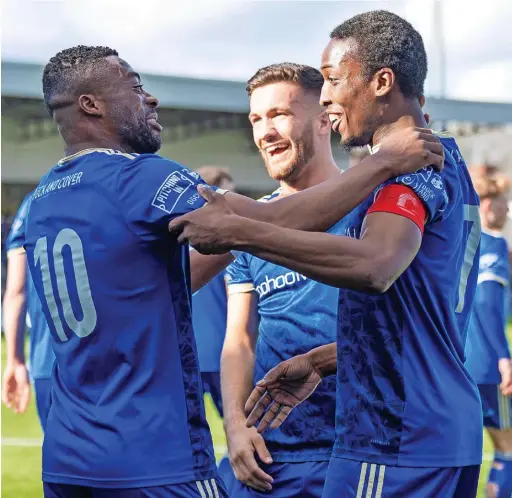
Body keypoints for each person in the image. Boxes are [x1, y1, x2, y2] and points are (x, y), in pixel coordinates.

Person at [25, 45, 442, 498]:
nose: (151, 99)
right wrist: (383, 161)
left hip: (70, 459)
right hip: (155, 459)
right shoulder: (140, 178)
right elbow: (272, 227)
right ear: (90, 104)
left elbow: (171, 280)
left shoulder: (43, 200)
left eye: (278, 114)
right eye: (135, 86)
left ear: (324, 117)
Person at [169, 10, 482, 497]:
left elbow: (373, 267)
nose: (329, 93)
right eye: (256, 118)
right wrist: (320, 362)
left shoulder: (408, 166)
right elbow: (413, 319)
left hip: (394, 435)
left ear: (381, 82)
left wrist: (238, 230)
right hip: (427, 428)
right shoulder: (430, 161)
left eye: (335, 80)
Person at [222, 63, 341, 497]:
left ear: (325, 119)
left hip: (352, 452)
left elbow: (400, 329)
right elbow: (240, 338)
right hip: (269, 458)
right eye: (256, 119)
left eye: (279, 114)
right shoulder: (249, 221)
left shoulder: (374, 210)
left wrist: (319, 360)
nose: (265, 131)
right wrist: (235, 426)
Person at [465, 170, 512, 498]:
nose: (507, 210)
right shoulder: (494, 246)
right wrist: (505, 358)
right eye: (503, 203)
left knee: (463, 451)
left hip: (459, 362)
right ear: (485, 204)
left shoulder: (462, 246)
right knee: (508, 448)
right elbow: (487, 303)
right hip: (488, 365)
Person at [2, 192, 55, 430]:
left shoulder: (37, 200)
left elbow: (16, 291)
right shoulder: (123, 188)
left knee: (63, 462)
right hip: (111, 362)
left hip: (47, 361)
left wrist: (15, 361)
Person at [192, 166, 235, 417]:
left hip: (189, 354)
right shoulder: (229, 241)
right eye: (230, 193)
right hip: (223, 353)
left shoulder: (177, 237)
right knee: (241, 426)